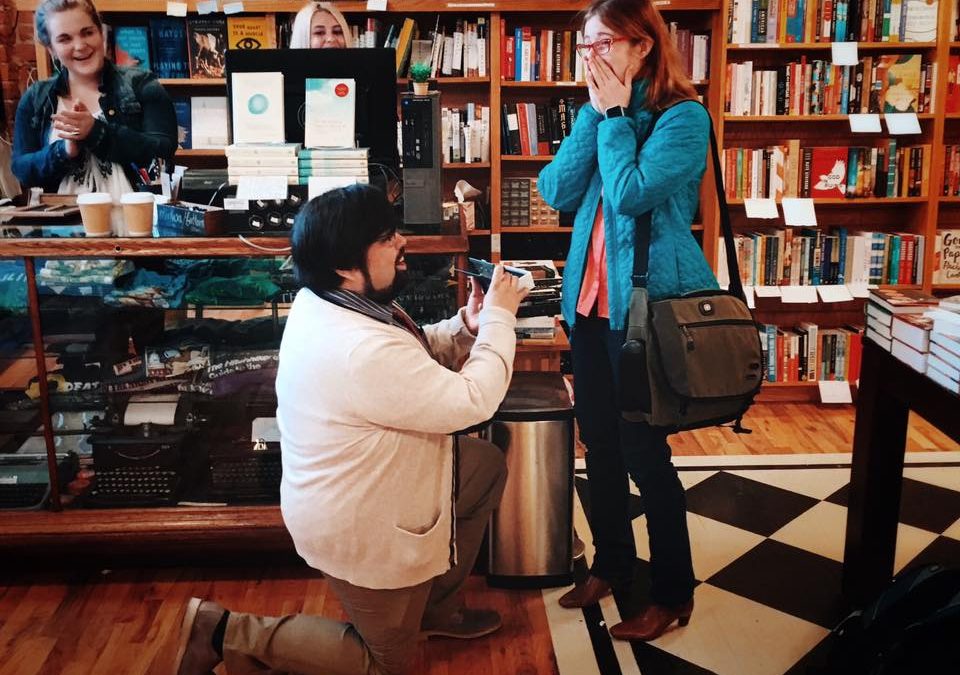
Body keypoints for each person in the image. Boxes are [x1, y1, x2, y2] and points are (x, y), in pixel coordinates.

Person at [174, 184, 529, 675]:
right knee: (383, 665)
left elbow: (411, 356)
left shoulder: (330, 300)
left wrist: (466, 326)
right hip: (360, 522)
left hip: (365, 488)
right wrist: (499, 321)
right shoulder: (358, 348)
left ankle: (432, 609)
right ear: (345, 264)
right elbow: (472, 401)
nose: (402, 242)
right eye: (386, 238)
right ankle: (221, 630)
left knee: (484, 467)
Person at [537, 0, 719, 643]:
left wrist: (614, 117)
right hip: (589, 312)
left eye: (604, 42)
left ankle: (673, 592)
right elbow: (555, 192)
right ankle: (614, 564)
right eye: (584, 45)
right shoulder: (598, 112)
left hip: (645, 313)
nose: (591, 56)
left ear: (642, 46)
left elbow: (632, 193)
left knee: (646, 452)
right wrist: (595, 113)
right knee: (602, 447)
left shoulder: (683, 117)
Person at [11, 0, 177, 231]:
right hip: (61, 239)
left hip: (140, 235)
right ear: (51, 49)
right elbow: (22, 169)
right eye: (64, 39)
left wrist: (96, 132)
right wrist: (64, 151)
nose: (80, 46)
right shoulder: (36, 98)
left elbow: (163, 148)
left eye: (87, 32)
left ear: (101, 33)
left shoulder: (142, 84)